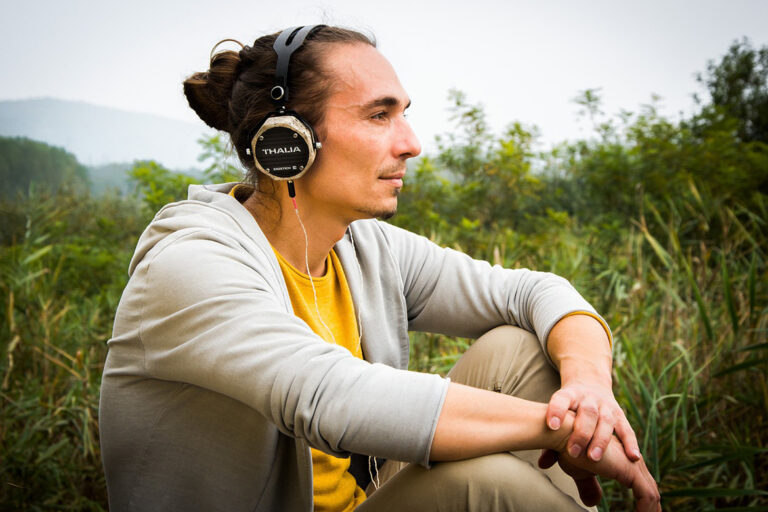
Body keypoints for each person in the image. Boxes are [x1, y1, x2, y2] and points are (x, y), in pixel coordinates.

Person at [98, 25, 661, 512]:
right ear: (286, 141)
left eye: (404, 115)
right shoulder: (190, 263)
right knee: (487, 484)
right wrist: (561, 429)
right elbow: (328, 396)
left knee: (526, 346)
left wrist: (588, 392)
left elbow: (533, 291)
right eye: (378, 116)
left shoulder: (363, 247)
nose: (411, 144)